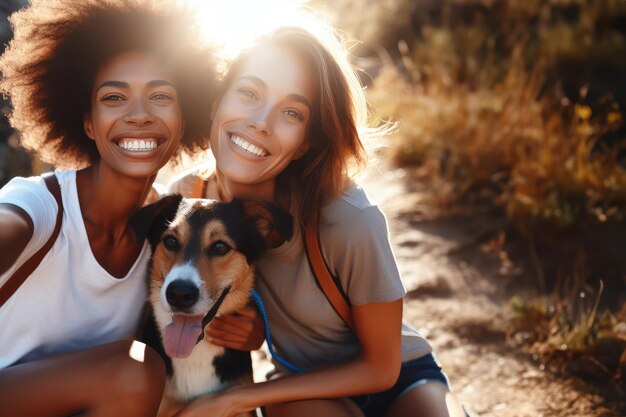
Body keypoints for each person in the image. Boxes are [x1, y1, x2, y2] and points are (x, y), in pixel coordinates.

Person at [169, 22, 468, 417]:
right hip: (301, 390)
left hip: (400, 380)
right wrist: (256, 330)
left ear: (305, 142)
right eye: (248, 92)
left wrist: (237, 398)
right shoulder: (186, 203)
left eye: (291, 112)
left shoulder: (347, 220)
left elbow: (382, 366)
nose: (260, 121)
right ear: (216, 103)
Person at [0, 0, 218, 415]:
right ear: (88, 123)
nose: (139, 114)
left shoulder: (164, 236)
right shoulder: (37, 209)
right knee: (134, 370)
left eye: (160, 96)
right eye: (115, 97)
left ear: (182, 117)